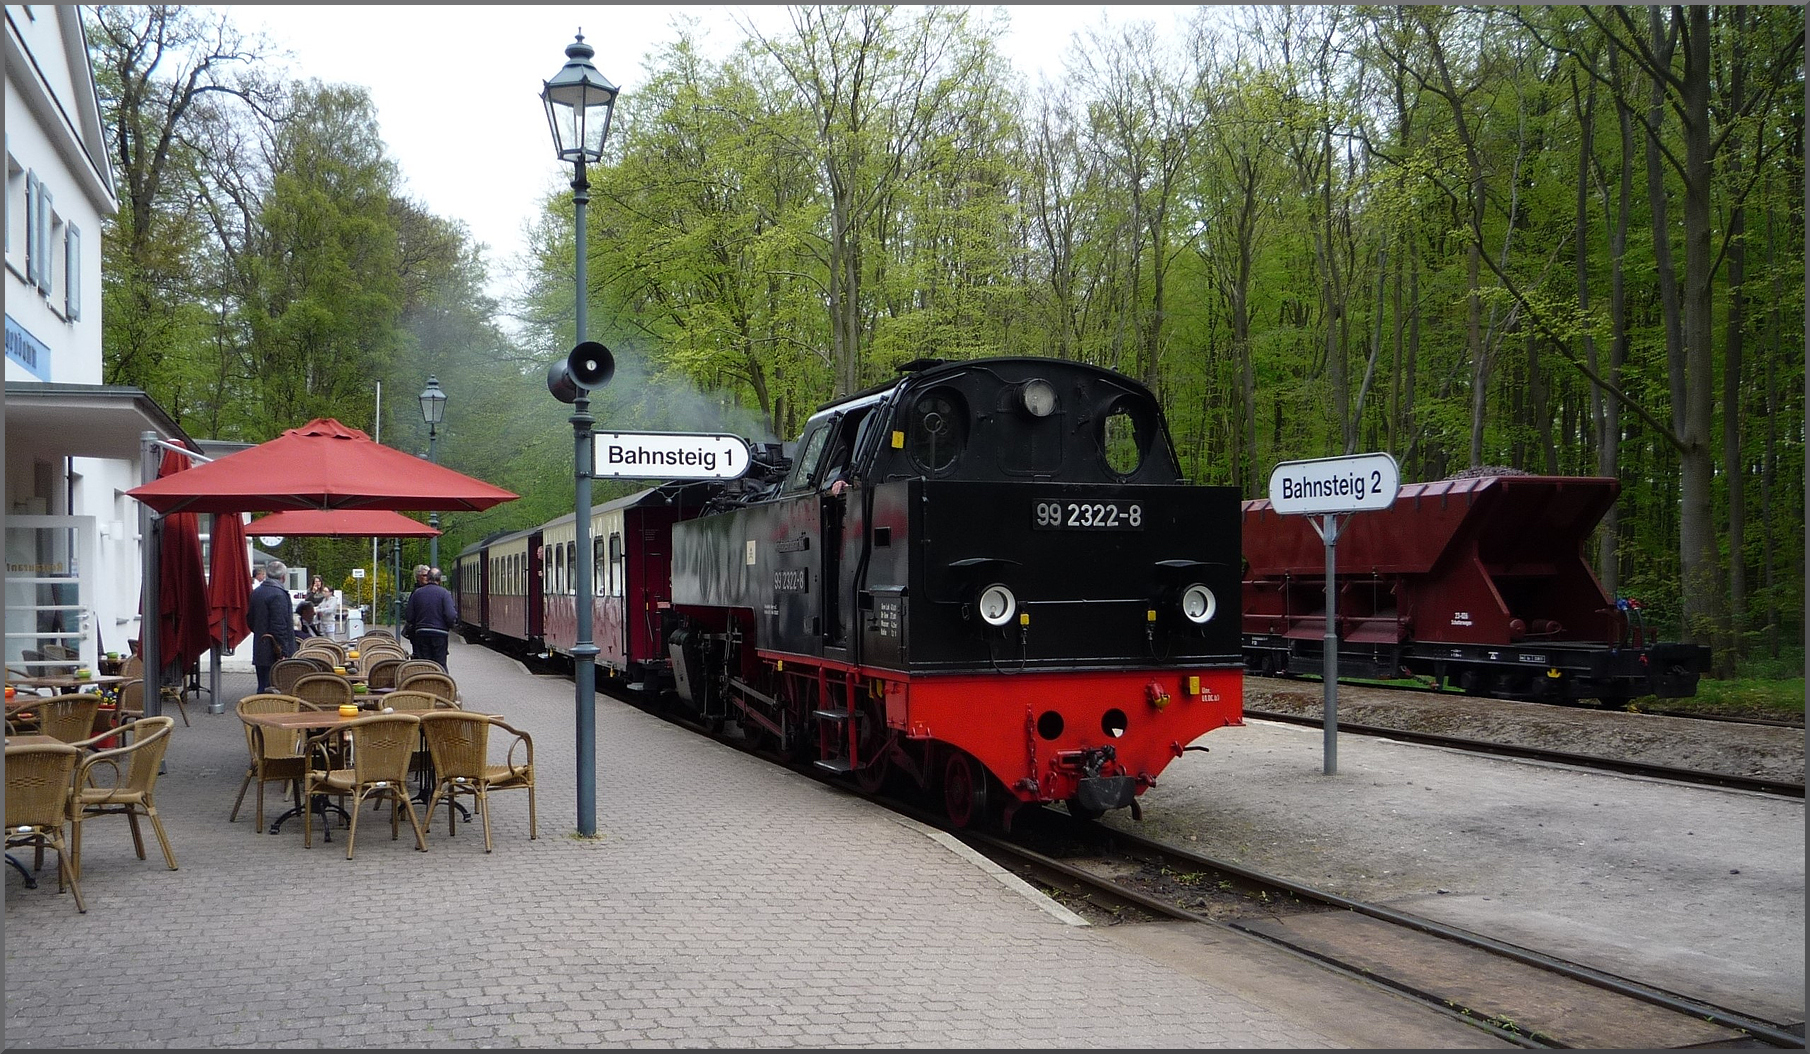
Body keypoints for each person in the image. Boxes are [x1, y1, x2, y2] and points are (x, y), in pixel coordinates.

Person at [247, 559, 296, 693]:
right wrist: (284, 651)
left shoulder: (256, 592)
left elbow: (250, 619)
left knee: (262, 686)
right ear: (283, 577)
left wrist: (260, 632)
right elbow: (279, 626)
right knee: (274, 691)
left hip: (260, 647)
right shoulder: (279, 594)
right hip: (275, 653)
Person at [404, 565, 458, 671]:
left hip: (421, 633)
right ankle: (442, 684)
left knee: (423, 664)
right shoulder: (444, 593)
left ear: (428, 578)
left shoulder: (417, 593)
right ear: (439, 580)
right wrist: (448, 626)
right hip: (440, 634)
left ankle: (424, 685)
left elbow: (409, 616)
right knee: (440, 664)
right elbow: (451, 615)